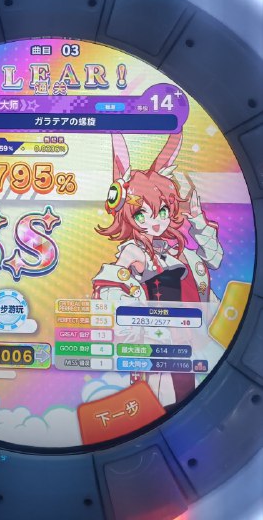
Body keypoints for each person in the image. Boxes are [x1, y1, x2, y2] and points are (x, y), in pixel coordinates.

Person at [92, 132, 223, 403]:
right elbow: (108, 296)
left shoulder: (178, 253)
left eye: (162, 211)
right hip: (160, 347)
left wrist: (197, 219)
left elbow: (214, 258)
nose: (156, 222)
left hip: (197, 343)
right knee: (163, 402)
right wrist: (128, 285)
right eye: (143, 214)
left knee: (197, 400)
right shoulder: (132, 252)